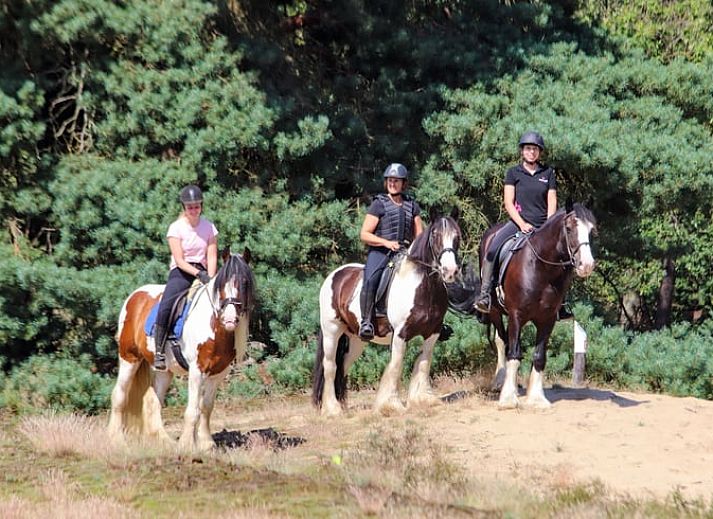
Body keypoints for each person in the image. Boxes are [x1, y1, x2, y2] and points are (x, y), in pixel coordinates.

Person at [474, 131, 559, 313]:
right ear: (522, 151)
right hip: (518, 222)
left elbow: (552, 200)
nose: (532, 152)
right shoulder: (513, 172)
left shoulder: (548, 173)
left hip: (543, 225)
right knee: (493, 249)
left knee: (563, 255)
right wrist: (521, 224)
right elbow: (508, 202)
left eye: (535, 149)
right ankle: (485, 294)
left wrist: (549, 225)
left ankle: (562, 304)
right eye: (528, 149)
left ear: (539, 152)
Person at [153, 185, 218, 370]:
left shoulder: (209, 227)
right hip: (182, 271)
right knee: (167, 303)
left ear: (201, 206)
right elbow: (179, 260)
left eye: (197, 206)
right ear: (184, 208)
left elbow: (212, 255)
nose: (194, 210)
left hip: (205, 271)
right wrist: (199, 274)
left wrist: (211, 278)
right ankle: (159, 350)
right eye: (190, 207)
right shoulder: (176, 228)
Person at [358, 163, 424, 340]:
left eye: (396, 180)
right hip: (380, 252)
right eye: (390, 180)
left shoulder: (412, 205)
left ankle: (433, 318)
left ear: (404, 183)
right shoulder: (379, 204)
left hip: (405, 252)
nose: (392, 183)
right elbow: (364, 234)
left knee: (429, 276)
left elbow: (420, 235)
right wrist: (386, 243)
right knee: (371, 278)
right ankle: (366, 321)